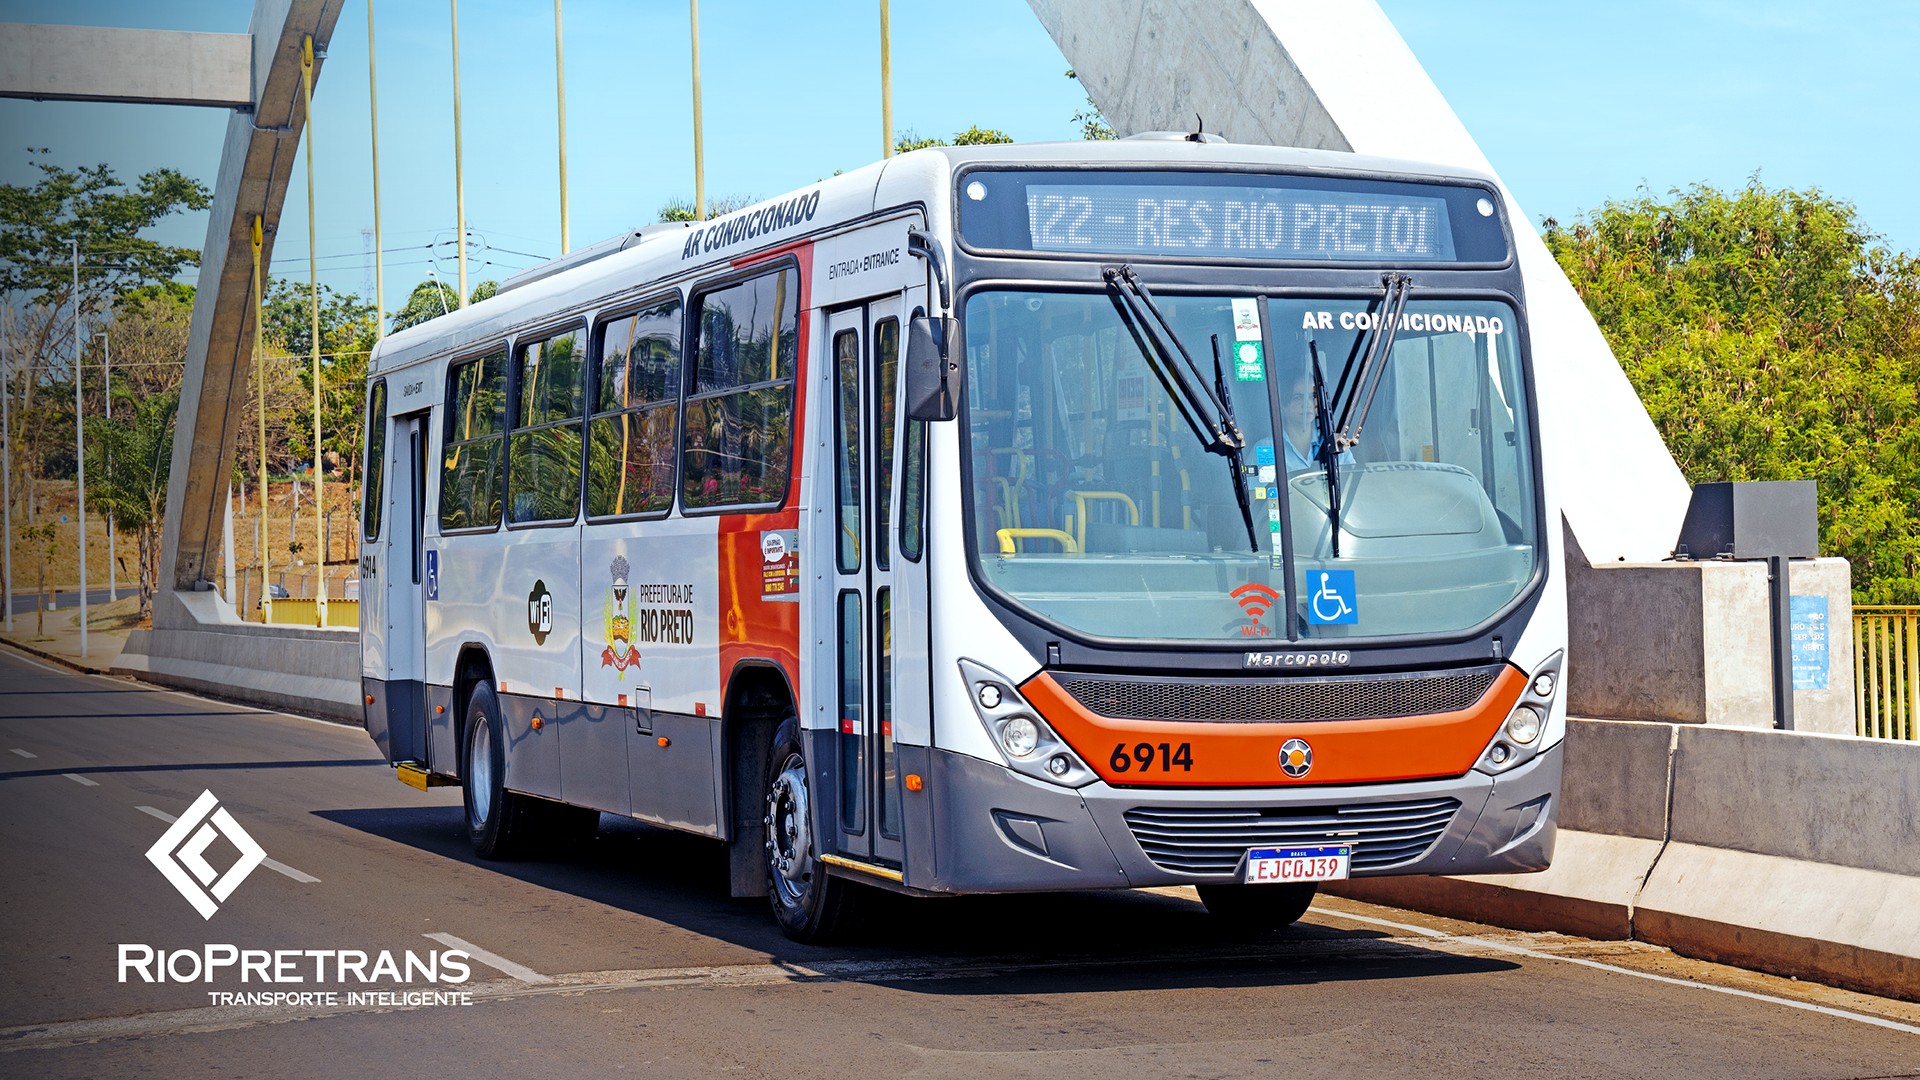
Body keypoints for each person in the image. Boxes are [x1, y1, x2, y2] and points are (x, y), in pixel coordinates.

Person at [1280, 373, 1351, 476]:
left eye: (1313, 397)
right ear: (1282, 406)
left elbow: (1357, 486)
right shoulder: (1267, 448)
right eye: (1297, 397)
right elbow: (1254, 490)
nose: (1307, 403)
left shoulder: (1336, 445)